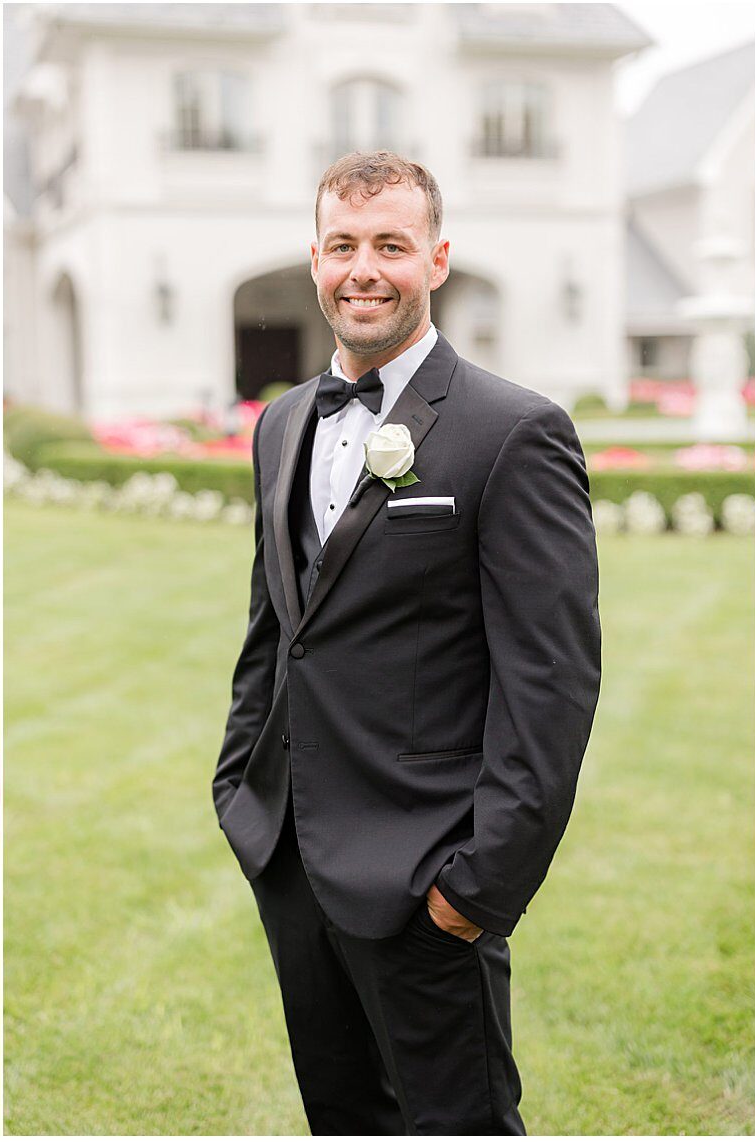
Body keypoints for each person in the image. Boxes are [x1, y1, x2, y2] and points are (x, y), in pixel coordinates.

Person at [211, 152, 601, 1135]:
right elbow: (274, 627)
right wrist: (238, 789)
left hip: (429, 866)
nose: (363, 269)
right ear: (312, 258)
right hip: (291, 853)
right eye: (341, 245)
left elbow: (548, 681)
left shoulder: (513, 432)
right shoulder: (280, 422)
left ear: (435, 256)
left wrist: (476, 884)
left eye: (389, 244)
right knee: (341, 1115)